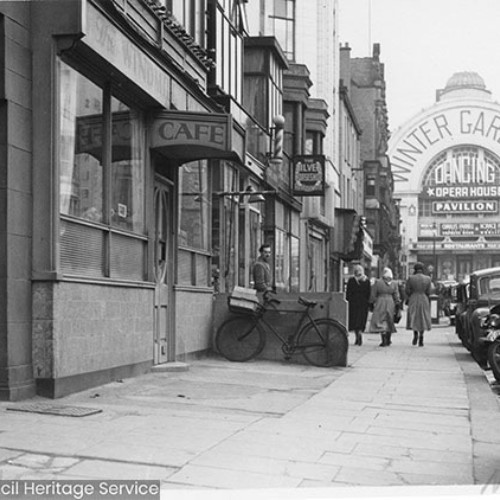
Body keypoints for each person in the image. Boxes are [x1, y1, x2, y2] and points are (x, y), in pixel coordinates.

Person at [369, 267, 400, 347]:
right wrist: (397, 304)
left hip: (380, 301)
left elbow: (373, 294)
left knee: (380, 320)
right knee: (389, 319)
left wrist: (372, 302)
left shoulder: (378, 282)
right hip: (390, 302)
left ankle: (383, 340)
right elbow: (396, 295)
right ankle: (389, 339)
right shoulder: (394, 283)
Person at [405, 261, 432, 346]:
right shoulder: (428, 279)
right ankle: (421, 336)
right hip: (424, 298)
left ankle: (415, 334)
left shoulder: (411, 278)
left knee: (414, 316)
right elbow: (429, 291)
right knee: (423, 317)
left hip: (414, 298)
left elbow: (407, 290)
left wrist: (411, 294)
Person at [345, 264, 371, 346]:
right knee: (361, 319)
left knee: (354, 319)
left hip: (354, 303)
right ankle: (360, 332)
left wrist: (348, 300)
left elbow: (348, 292)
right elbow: (369, 293)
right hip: (363, 303)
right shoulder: (366, 280)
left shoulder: (351, 280)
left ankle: (357, 335)